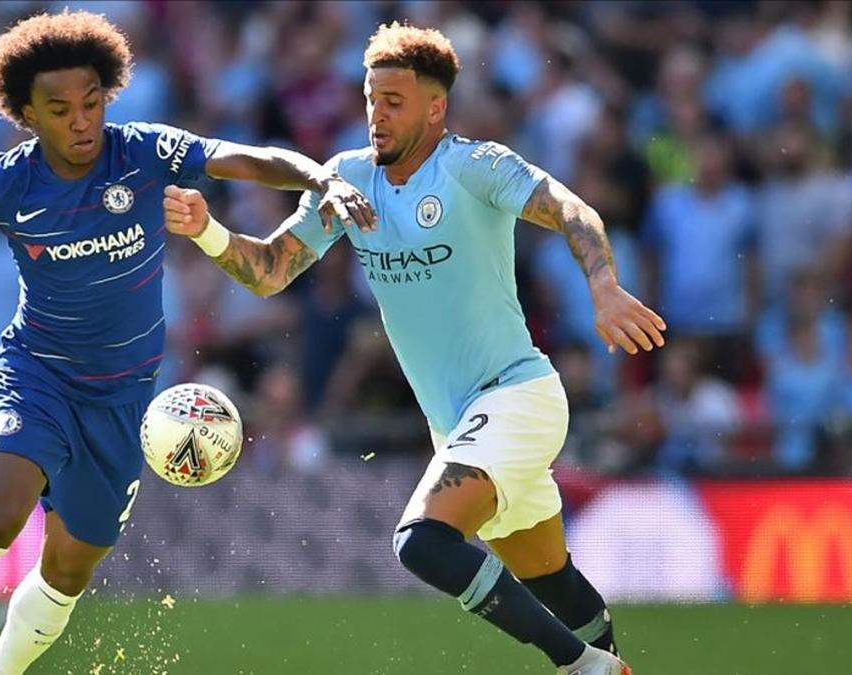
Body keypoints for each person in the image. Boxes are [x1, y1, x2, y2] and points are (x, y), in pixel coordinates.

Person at [0, 10, 372, 675]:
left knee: (66, 569)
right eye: (60, 109)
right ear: (26, 114)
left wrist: (321, 178)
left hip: (122, 398)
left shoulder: (142, 150)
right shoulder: (6, 182)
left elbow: (242, 157)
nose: (82, 120)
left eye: (92, 103)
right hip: (39, 374)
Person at [163, 22, 667, 675]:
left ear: (435, 107)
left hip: (516, 396)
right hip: (458, 424)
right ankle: (610, 663)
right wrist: (207, 233)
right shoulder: (347, 181)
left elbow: (570, 208)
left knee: (422, 540)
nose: (377, 114)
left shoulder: (472, 166)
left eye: (394, 101)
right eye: (372, 99)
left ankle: (583, 665)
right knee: (552, 580)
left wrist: (603, 286)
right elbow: (268, 271)